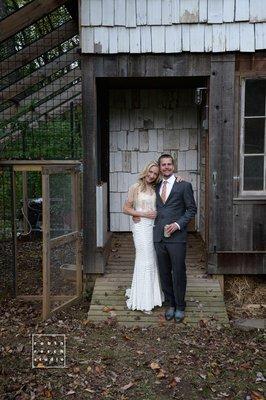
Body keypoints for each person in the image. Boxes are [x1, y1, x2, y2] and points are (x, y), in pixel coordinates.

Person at [154, 154, 197, 323]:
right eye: (163, 165)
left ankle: (180, 305)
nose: (166, 167)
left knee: (178, 271)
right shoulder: (155, 186)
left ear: (173, 166)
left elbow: (191, 209)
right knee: (164, 272)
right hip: (158, 237)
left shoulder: (184, 185)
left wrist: (178, 225)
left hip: (177, 237)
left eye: (169, 164)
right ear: (160, 167)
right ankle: (171, 304)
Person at [123, 161, 163, 314]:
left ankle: (153, 297)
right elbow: (126, 208)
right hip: (140, 228)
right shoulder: (135, 187)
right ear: (145, 171)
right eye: (150, 172)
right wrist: (139, 214)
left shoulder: (156, 188)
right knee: (145, 260)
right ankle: (143, 301)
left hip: (154, 227)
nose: (152, 176)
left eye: (155, 174)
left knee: (152, 259)